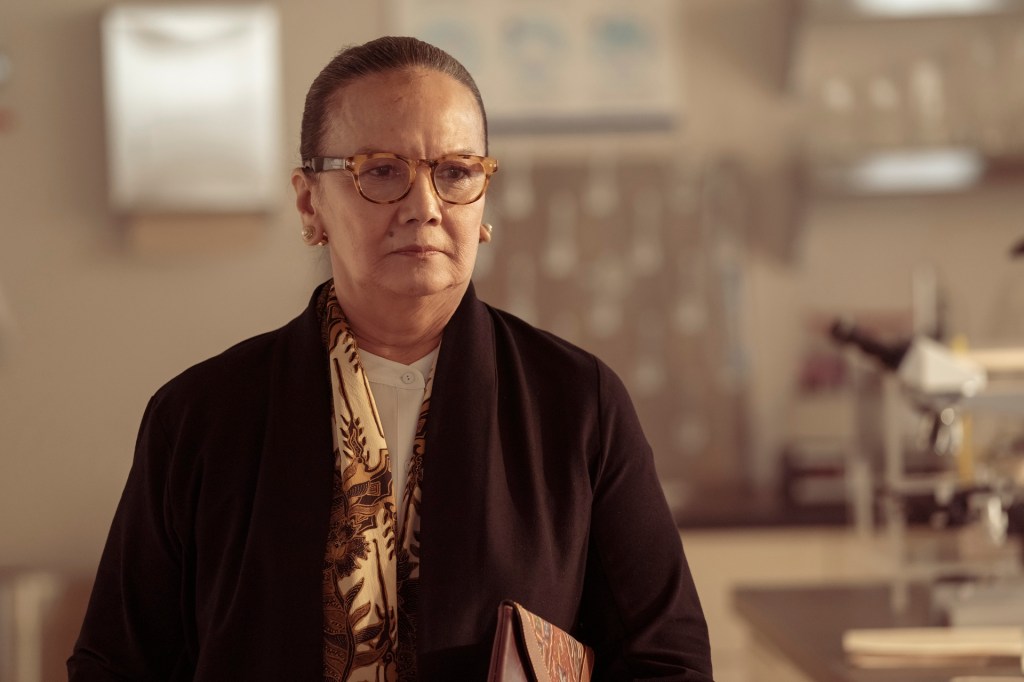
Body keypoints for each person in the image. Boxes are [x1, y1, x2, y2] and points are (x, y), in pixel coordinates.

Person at [68, 36, 713, 681]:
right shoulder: (201, 416)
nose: (425, 207)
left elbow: (666, 658)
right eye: (381, 170)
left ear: (484, 197)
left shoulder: (575, 403)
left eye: (457, 171)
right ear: (309, 201)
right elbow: (118, 664)